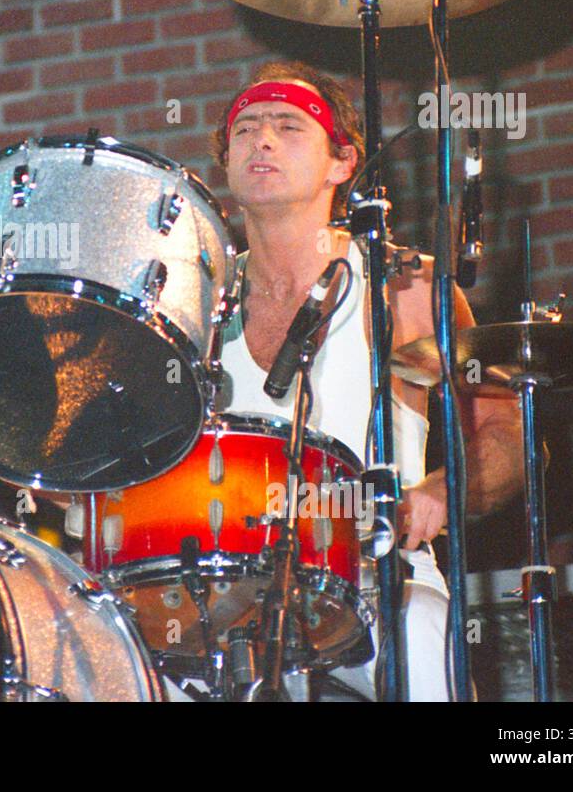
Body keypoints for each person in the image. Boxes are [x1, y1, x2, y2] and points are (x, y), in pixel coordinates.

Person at [210, 60, 526, 701]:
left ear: (342, 163)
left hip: (380, 580)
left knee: (426, 632)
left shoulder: (405, 287)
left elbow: (510, 436)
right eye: (245, 130)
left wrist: (444, 487)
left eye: (288, 127)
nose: (262, 141)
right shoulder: (197, 302)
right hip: (225, 592)